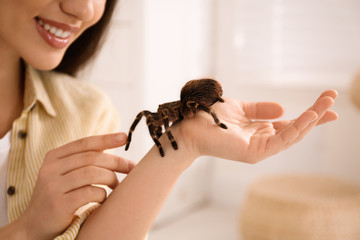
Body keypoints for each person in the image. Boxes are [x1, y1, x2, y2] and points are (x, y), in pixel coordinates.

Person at [0, 0, 339, 239]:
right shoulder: (145, 111)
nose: (86, 8)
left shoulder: (88, 108)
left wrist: (186, 143)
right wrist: (25, 231)